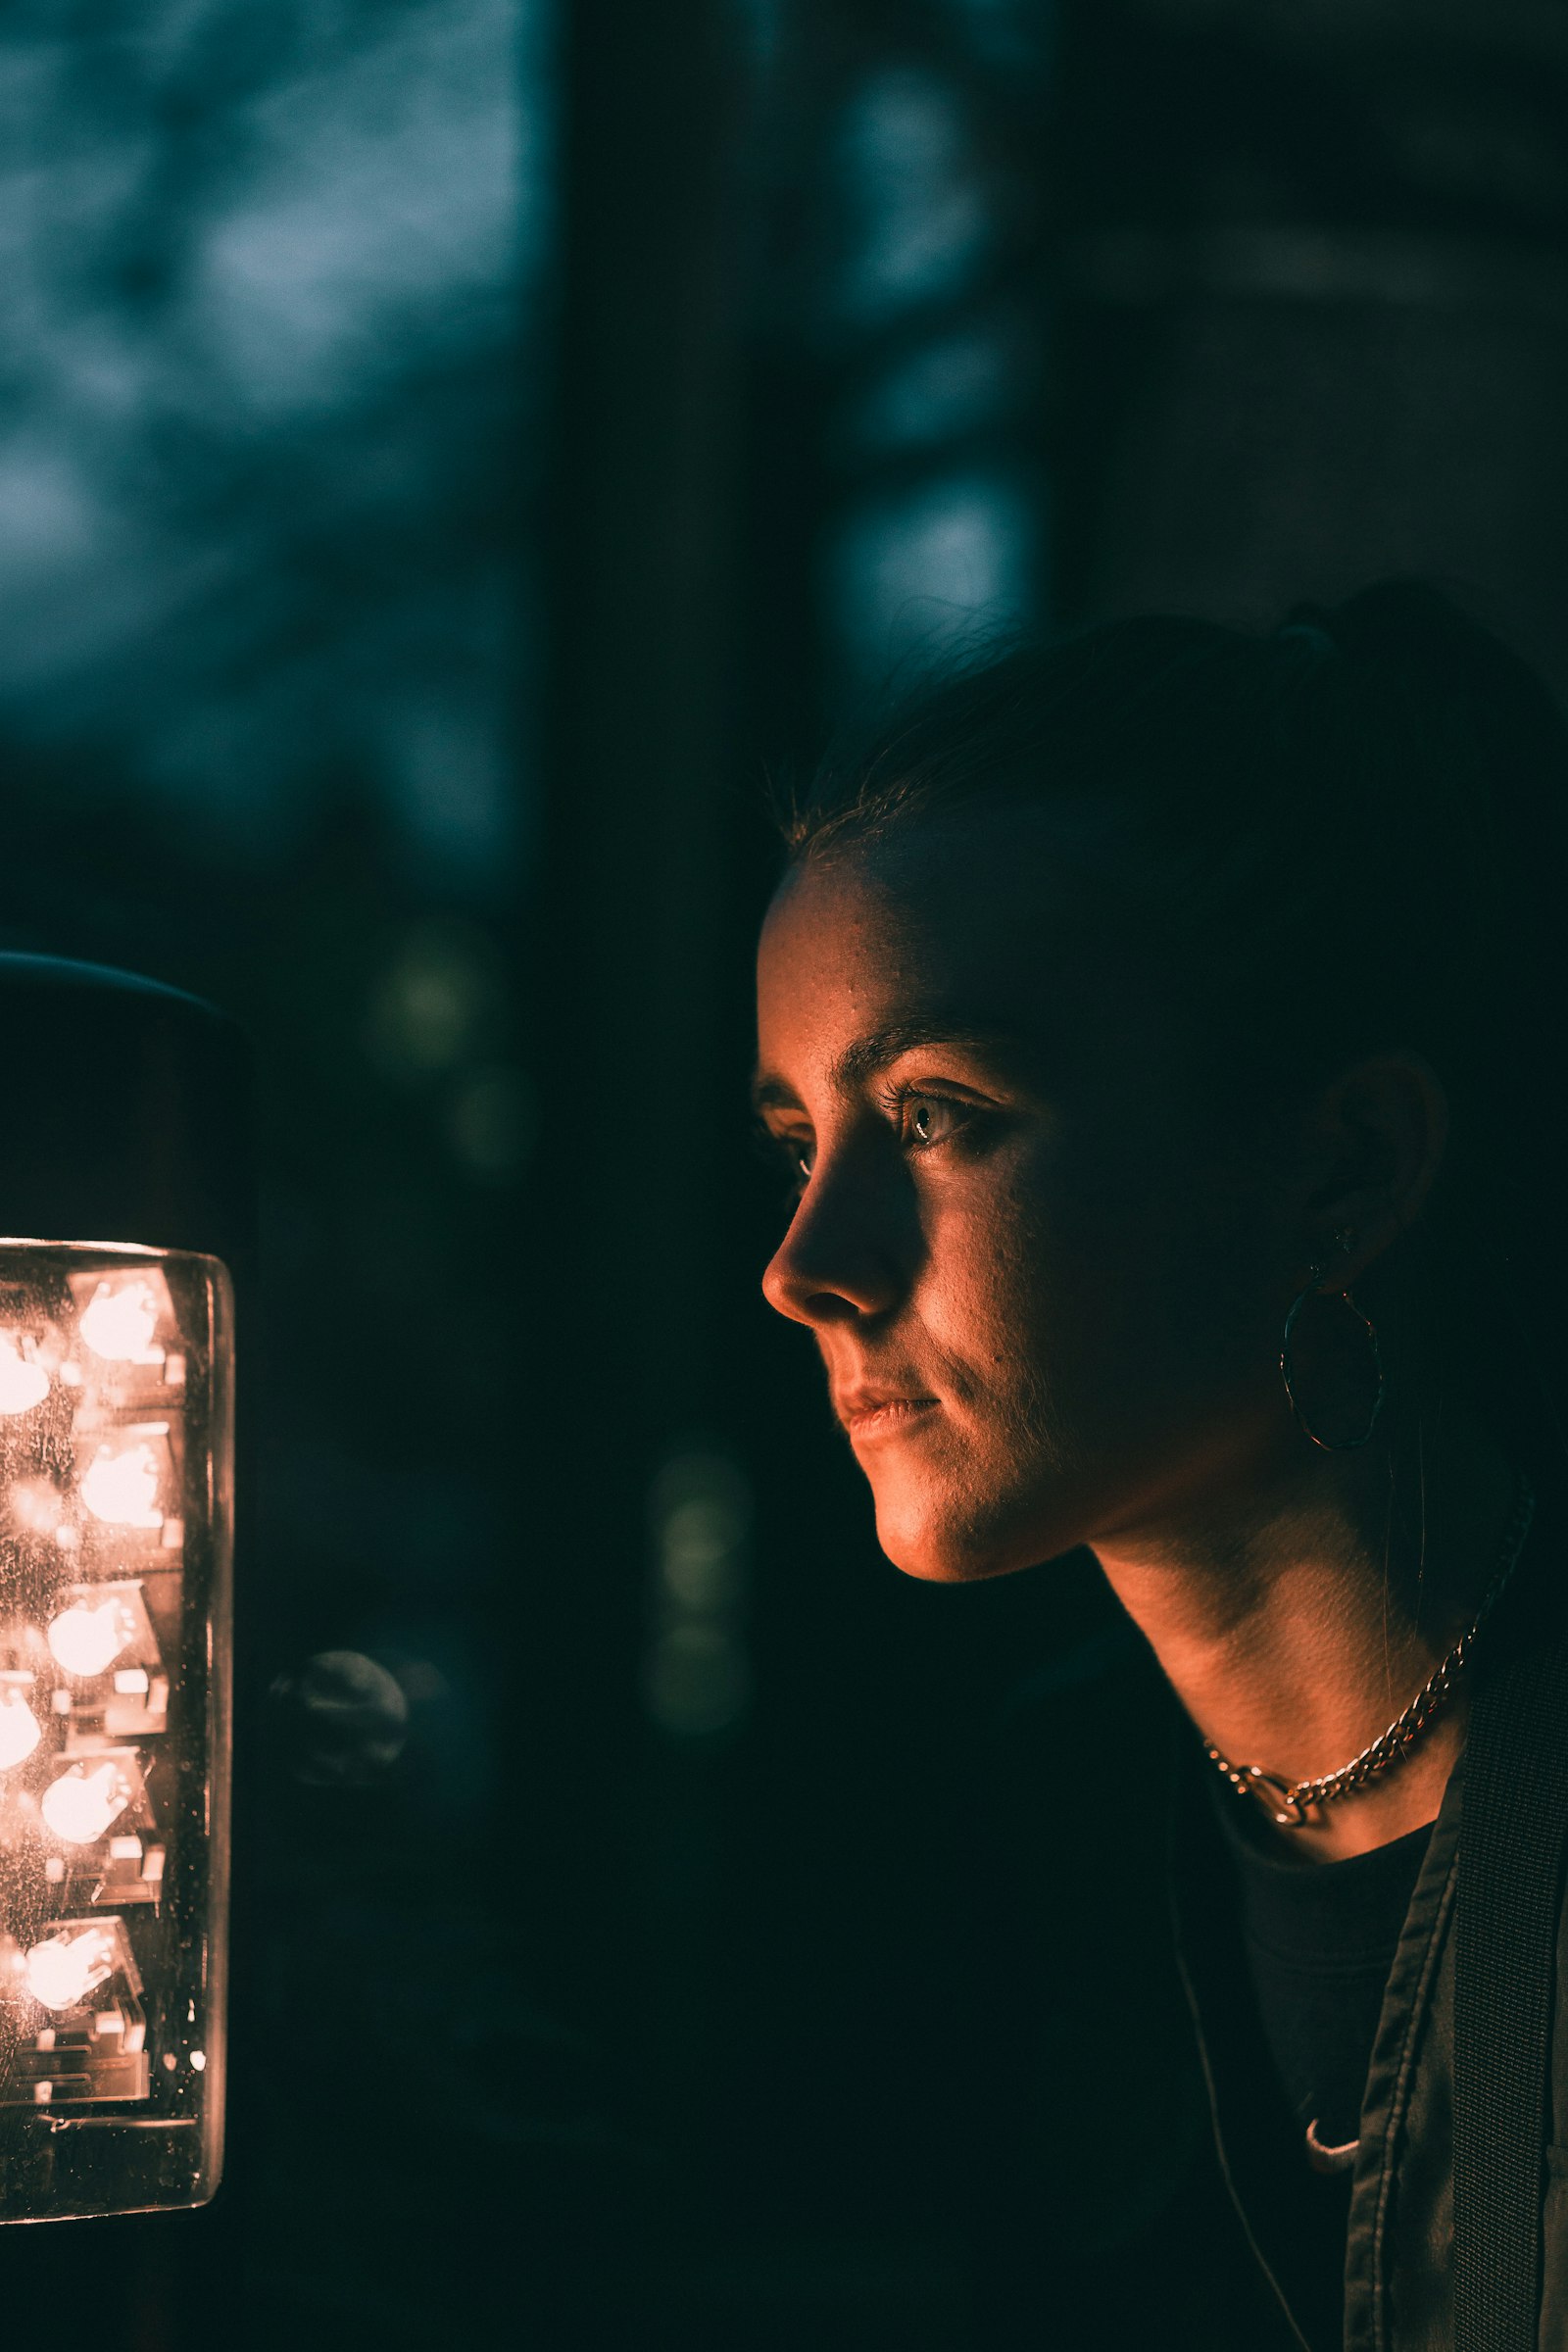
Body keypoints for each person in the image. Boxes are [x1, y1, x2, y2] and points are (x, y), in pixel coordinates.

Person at [749, 583, 1568, 2351]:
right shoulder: (1052, 1851)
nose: (806, 1259)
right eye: (800, 1138)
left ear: (1342, 1173)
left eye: (935, 1118)